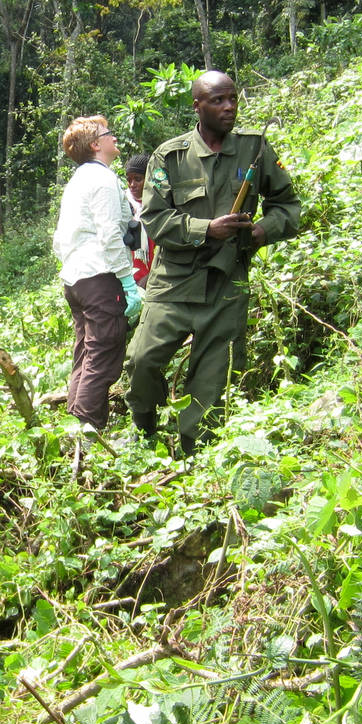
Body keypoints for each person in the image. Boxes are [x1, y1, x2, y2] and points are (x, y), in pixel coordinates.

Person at [127, 70, 301, 454]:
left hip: (225, 284)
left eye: (233, 99)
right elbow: (155, 220)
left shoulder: (255, 150)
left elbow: (288, 206)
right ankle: (146, 431)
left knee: (210, 385)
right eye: (218, 100)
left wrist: (260, 232)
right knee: (141, 362)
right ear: (197, 106)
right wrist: (208, 228)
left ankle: (193, 459)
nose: (228, 108)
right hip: (173, 283)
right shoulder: (169, 157)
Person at [51, 115, 141, 430]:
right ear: (95, 144)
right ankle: (85, 438)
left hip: (75, 278)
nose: (114, 137)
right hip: (99, 277)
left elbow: (59, 239)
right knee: (104, 353)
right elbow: (109, 235)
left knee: (85, 354)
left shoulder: (76, 182)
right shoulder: (103, 180)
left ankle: (76, 430)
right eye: (108, 133)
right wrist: (127, 280)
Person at [124, 152, 153, 287]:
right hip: (127, 279)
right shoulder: (123, 206)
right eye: (129, 180)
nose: (132, 184)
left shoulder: (159, 207)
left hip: (154, 278)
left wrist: (150, 277)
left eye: (138, 179)